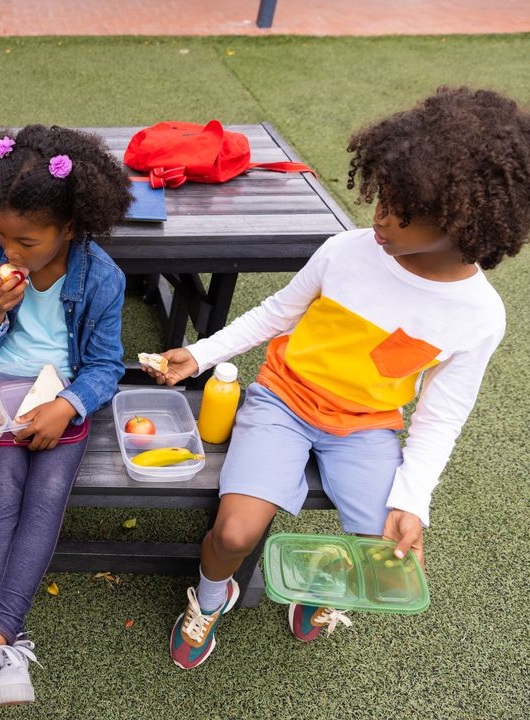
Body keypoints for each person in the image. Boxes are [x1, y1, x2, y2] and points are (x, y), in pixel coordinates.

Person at [145, 87, 530, 669]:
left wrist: (413, 501)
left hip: (367, 426)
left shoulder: (478, 316)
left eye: (399, 210)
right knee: (233, 536)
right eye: (381, 197)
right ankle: (211, 595)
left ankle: (315, 588)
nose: (378, 217)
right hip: (280, 402)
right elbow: (276, 313)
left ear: (461, 220)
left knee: (385, 551)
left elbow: (440, 417)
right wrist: (199, 355)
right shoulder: (346, 252)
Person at [0, 125, 132, 720]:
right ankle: (9, 645)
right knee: (2, 497)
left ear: (69, 228)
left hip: (62, 398)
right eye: (1, 233)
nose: (8, 251)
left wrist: (68, 405)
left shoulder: (102, 279)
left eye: (25, 240)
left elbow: (106, 366)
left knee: (46, 498)